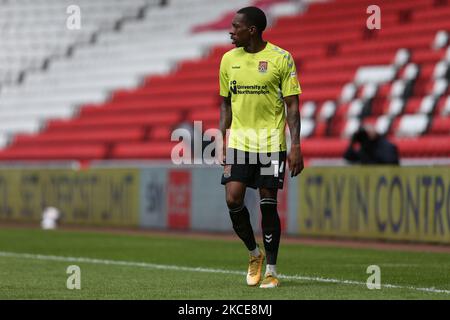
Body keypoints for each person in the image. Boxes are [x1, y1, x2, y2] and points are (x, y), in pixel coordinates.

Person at [218, 6, 304, 288]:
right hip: (240, 143)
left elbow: (292, 105)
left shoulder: (281, 58)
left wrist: (296, 147)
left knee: (268, 204)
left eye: (236, 26)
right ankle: (254, 254)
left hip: (270, 143)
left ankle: (272, 270)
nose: (231, 31)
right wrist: (222, 140)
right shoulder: (228, 60)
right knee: (233, 198)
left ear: (251, 29)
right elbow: (224, 104)